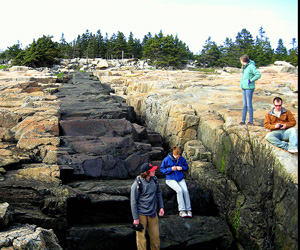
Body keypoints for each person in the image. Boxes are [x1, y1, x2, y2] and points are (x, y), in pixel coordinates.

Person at [130, 163, 165, 250]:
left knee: (155, 238)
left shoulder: (155, 180)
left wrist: (161, 207)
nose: (154, 171)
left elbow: (158, 193)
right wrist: (135, 218)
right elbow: (133, 202)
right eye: (152, 170)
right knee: (141, 240)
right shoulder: (137, 184)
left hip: (153, 213)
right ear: (146, 172)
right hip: (141, 215)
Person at [160, 146, 192, 218]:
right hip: (170, 179)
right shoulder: (167, 159)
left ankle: (188, 209)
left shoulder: (181, 159)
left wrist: (182, 168)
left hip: (180, 178)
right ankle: (182, 210)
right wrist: (170, 169)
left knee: (185, 191)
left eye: (179, 156)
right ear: (174, 154)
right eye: (177, 156)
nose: (178, 158)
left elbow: (186, 167)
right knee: (179, 190)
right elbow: (162, 170)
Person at [239, 54, 261, 125]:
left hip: (249, 88)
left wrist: (251, 80)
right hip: (244, 88)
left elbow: (258, 74)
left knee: (249, 104)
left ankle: (250, 121)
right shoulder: (244, 67)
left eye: (241, 61)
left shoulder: (251, 66)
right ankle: (243, 120)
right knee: (244, 104)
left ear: (243, 60)